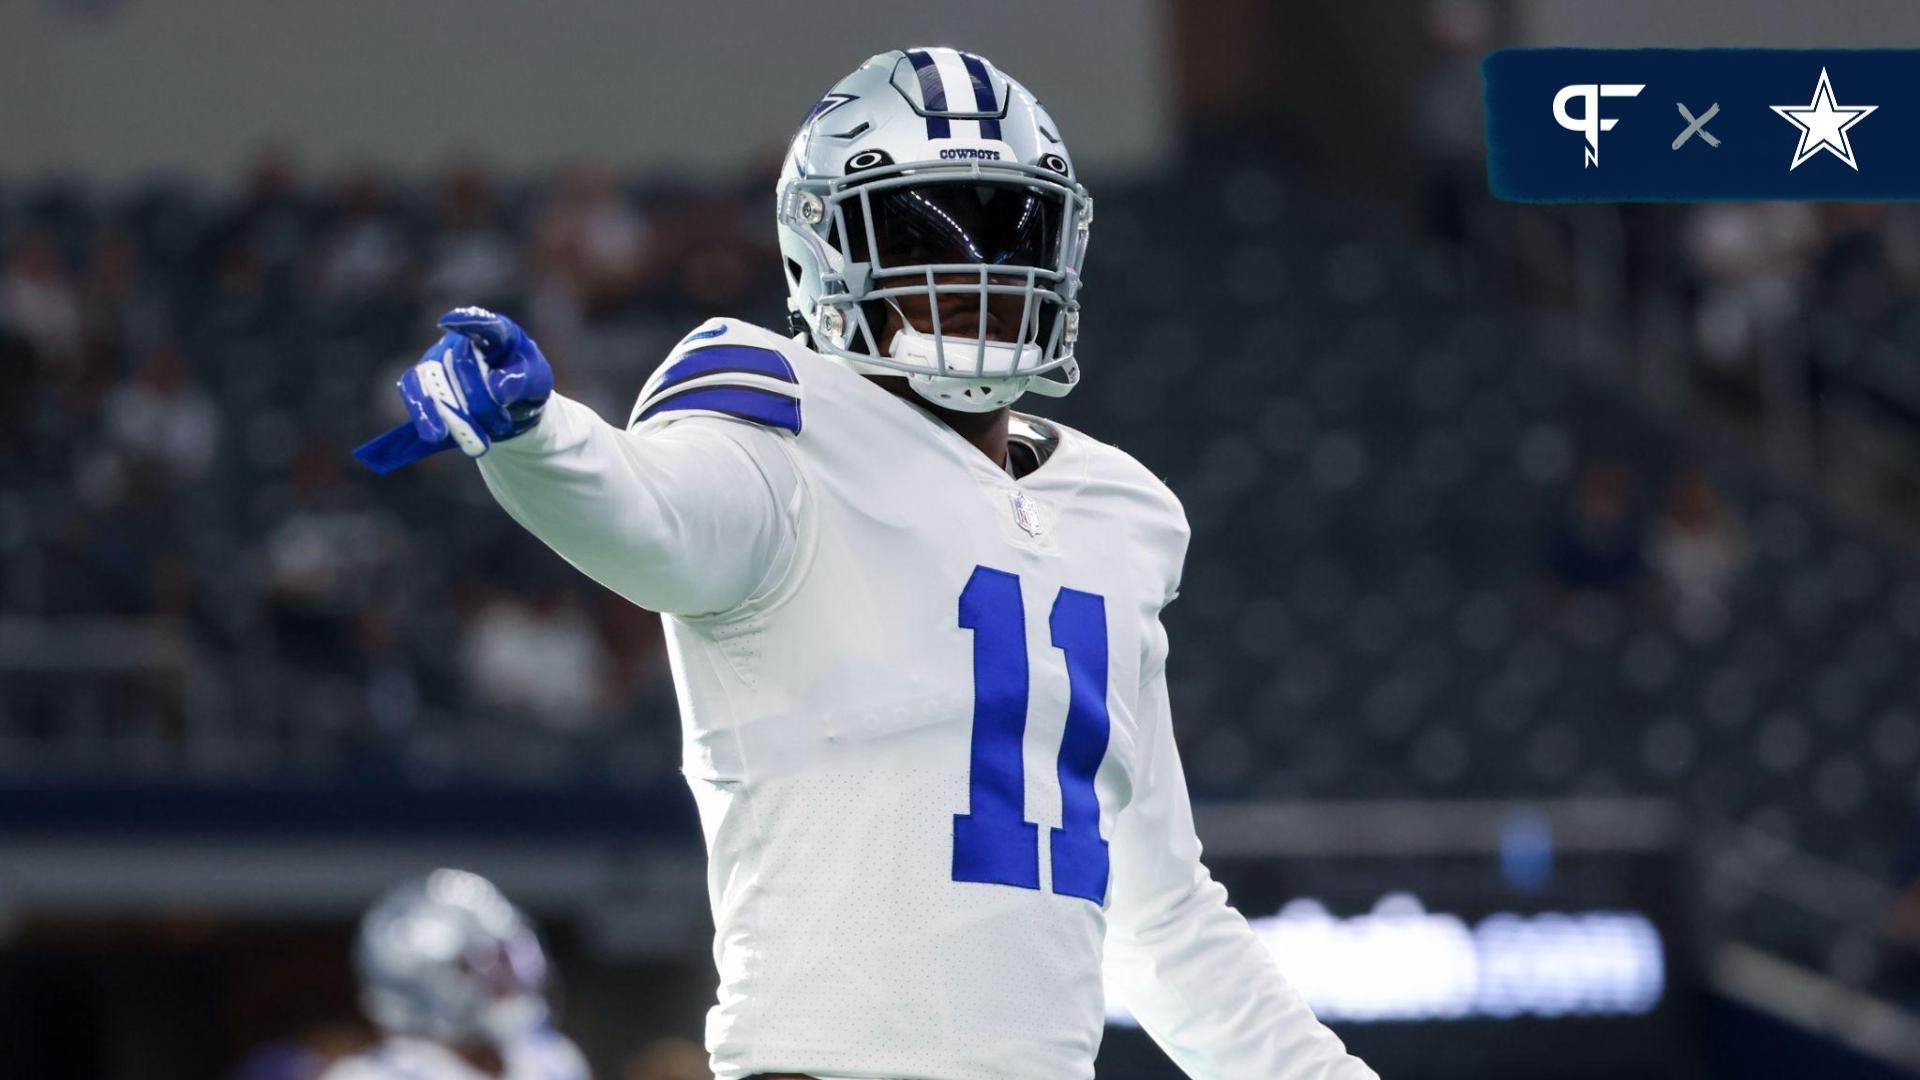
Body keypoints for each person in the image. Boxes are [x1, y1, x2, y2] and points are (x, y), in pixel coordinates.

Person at [362, 48, 1373, 1080]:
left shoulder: (1122, 511)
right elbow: (654, 515)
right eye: (921, 229)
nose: (978, 267)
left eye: (1008, 225)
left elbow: (1163, 924)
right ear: (827, 251)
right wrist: (538, 436)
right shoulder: (782, 420)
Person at [320, 869, 591, 1080]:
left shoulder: (552, 1062)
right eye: (478, 966)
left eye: (507, 961)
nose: (506, 982)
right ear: (420, 980)